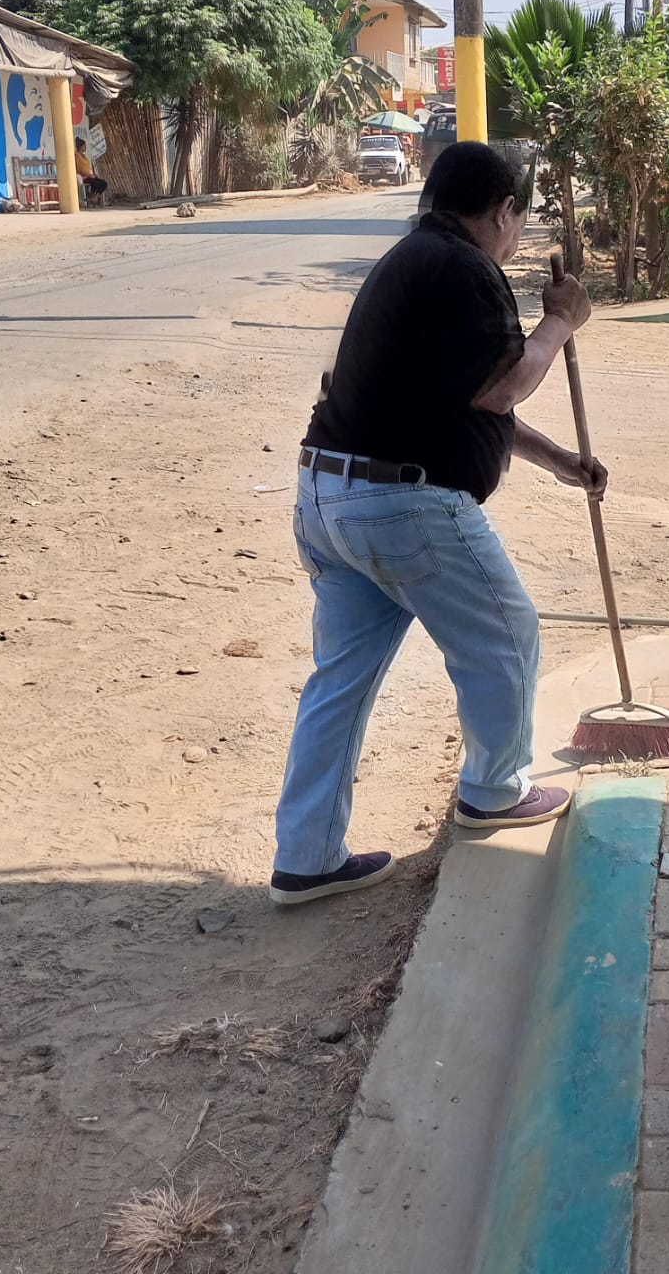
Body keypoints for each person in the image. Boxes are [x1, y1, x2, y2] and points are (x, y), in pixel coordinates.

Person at [271, 141, 605, 905]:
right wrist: (559, 322)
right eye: (519, 220)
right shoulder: (464, 270)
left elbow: (456, 401)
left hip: (328, 495)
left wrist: (558, 459)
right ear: (504, 211)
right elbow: (498, 389)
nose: (516, 237)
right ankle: (493, 792)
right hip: (401, 504)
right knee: (506, 635)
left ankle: (306, 857)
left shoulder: (413, 261)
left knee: (340, 682)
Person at [73, 136, 108, 204]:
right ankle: (92, 197)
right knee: (96, 184)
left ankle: (95, 197)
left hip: (90, 176)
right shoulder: (77, 156)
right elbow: (80, 169)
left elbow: (88, 167)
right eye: (84, 146)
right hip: (84, 177)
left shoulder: (83, 156)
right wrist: (89, 175)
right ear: (81, 147)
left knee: (104, 183)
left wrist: (93, 175)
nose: (85, 147)